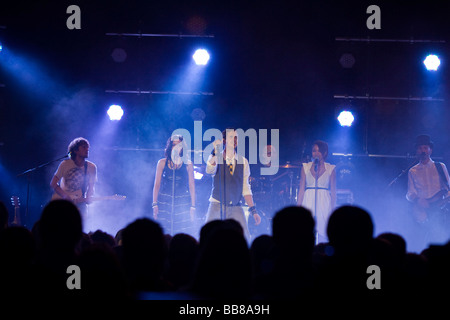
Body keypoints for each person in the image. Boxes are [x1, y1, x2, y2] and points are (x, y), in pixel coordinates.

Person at [205, 128, 261, 242]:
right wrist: (215, 151)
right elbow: (209, 170)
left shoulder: (243, 161)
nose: (234, 140)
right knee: (208, 236)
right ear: (224, 140)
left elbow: (246, 187)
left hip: (235, 205)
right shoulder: (216, 157)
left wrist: (253, 210)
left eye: (236, 138)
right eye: (231, 137)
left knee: (245, 237)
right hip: (217, 204)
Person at [406, 134, 450, 245]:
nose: (423, 150)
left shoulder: (440, 166)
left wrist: (445, 200)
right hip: (423, 209)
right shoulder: (412, 171)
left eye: (425, 147)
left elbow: (448, 187)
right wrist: (418, 200)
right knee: (422, 240)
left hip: (440, 209)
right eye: (420, 148)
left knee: (440, 238)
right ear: (417, 151)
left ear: (430, 150)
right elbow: (410, 193)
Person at [152, 135, 196, 237]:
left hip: (182, 200)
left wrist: (193, 206)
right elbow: (157, 184)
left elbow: (192, 185)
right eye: (173, 145)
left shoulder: (188, 164)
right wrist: (155, 204)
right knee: (165, 230)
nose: (176, 147)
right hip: (165, 200)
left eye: (178, 145)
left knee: (181, 231)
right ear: (170, 147)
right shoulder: (162, 162)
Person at [297, 140, 336, 244]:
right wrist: (298, 208)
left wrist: (333, 210)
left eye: (319, 151)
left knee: (323, 231)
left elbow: (333, 192)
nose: (316, 153)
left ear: (324, 153)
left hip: (324, 201)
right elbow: (301, 189)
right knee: (307, 231)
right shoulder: (305, 167)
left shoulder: (331, 168)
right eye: (314, 151)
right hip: (308, 199)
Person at [50, 137, 97, 219]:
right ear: (75, 150)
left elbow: (91, 187)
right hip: (63, 203)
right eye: (84, 147)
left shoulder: (92, 167)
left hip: (80, 205)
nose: (87, 149)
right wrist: (65, 196)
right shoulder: (65, 164)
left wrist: (89, 197)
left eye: (87, 147)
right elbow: (53, 183)